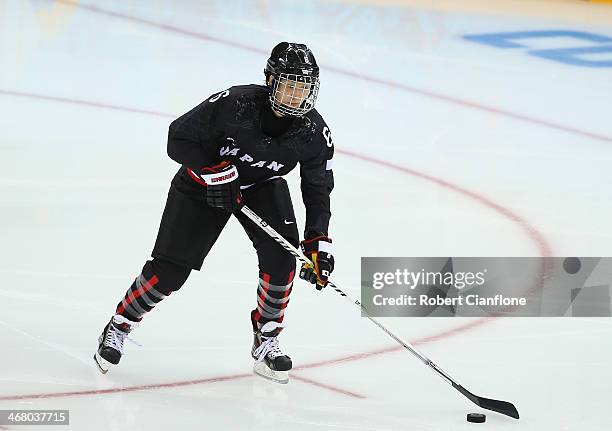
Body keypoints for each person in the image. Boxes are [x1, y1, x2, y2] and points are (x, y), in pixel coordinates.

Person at [94, 42, 335, 384]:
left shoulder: (313, 132)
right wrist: (213, 170)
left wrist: (318, 239)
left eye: (303, 87)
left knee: (283, 261)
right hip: (201, 185)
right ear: (269, 80)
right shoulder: (234, 104)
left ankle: (267, 338)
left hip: (262, 186)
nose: (296, 95)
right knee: (171, 272)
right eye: (288, 85)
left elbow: (317, 186)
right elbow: (177, 137)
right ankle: (120, 324)